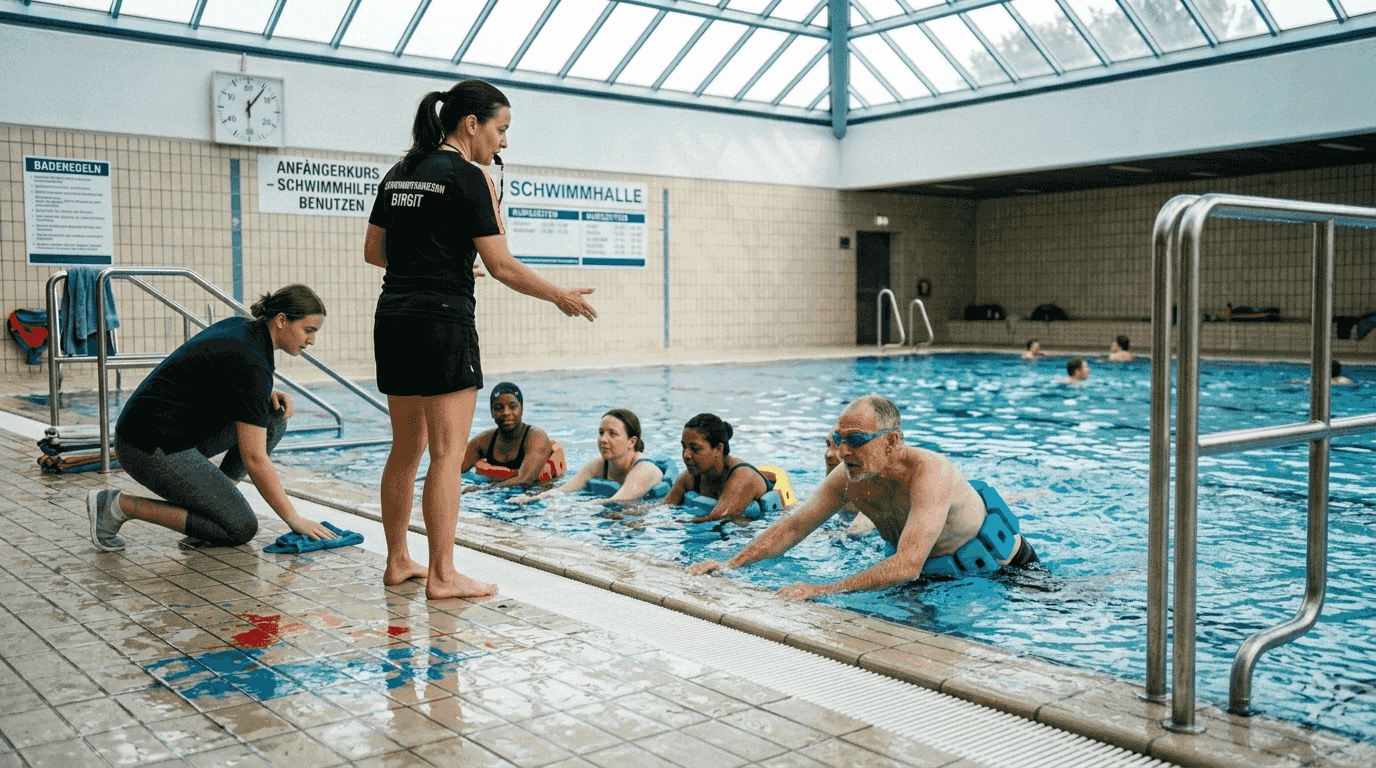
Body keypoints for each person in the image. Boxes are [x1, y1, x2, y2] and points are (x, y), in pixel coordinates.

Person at [365, 78, 597, 599]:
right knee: (447, 454)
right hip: (443, 322)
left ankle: (399, 561)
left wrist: (439, 264)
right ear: (472, 124)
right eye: (501, 129)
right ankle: (443, 575)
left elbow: (375, 252)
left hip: (394, 314)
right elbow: (501, 266)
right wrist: (559, 294)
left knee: (405, 448)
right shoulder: (470, 177)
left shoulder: (398, 172)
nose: (504, 143)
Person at [687, 395, 1038, 599]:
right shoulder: (850, 476)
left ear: (891, 442)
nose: (841, 452)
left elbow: (907, 564)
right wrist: (729, 564)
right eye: (840, 439)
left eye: (854, 441)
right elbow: (793, 528)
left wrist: (823, 589)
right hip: (930, 580)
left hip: (1006, 574)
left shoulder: (931, 474)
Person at [90, 285, 339, 552]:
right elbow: (255, 459)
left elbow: (216, 378)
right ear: (281, 320)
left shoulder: (244, 329)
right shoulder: (251, 359)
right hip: (146, 445)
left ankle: (211, 507)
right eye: (308, 330)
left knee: (273, 417)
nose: (311, 340)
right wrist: (294, 518)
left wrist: (262, 394)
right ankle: (117, 506)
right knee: (240, 527)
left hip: (164, 432)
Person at [512, 408, 666, 504]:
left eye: (612, 434)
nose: (603, 439)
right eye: (601, 433)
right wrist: (532, 499)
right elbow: (565, 489)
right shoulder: (599, 465)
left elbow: (620, 499)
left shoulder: (644, 469)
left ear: (631, 442)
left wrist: (573, 509)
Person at [663, 413, 777, 523]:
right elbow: (662, 508)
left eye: (695, 448)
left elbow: (718, 518)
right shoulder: (690, 477)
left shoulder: (743, 477)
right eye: (684, 447)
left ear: (718, 449)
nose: (686, 455)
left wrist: (671, 524)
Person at [462, 382, 565, 493]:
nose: (506, 412)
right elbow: (453, 469)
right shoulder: (483, 442)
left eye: (512, 406)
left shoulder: (536, 437)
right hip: (500, 492)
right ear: (492, 412)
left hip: (539, 493)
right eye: (498, 408)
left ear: (521, 409)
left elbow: (525, 479)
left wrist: (483, 490)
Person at [825, 434, 875, 537]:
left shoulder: (874, 496)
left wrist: (817, 535)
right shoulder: (833, 493)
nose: (829, 454)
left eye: (837, 446)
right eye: (828, 445)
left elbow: (858, 531)